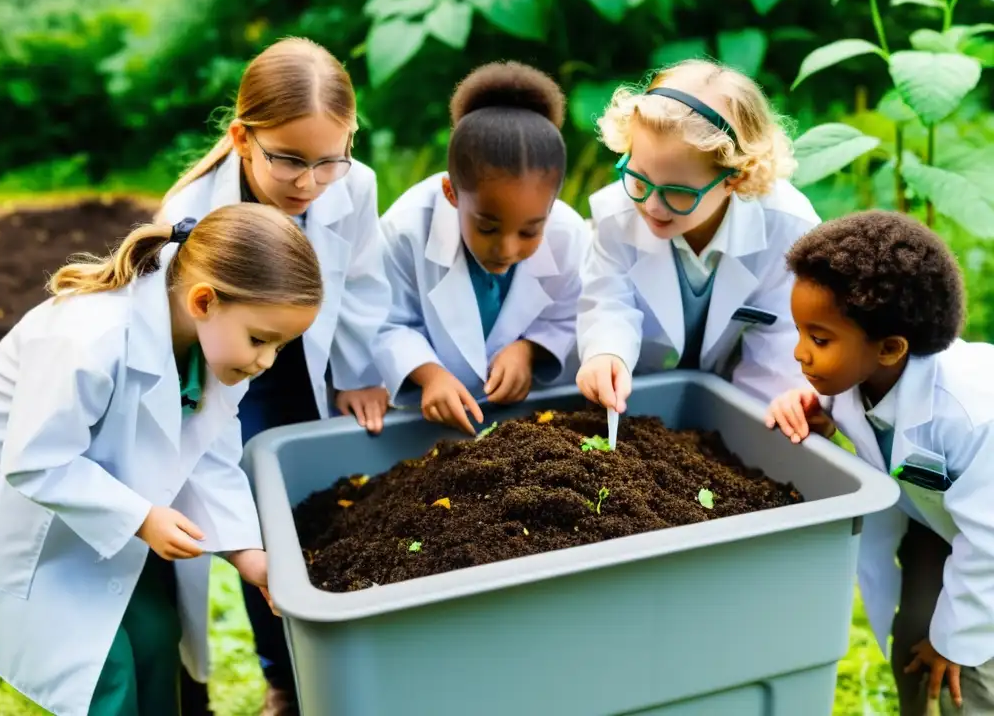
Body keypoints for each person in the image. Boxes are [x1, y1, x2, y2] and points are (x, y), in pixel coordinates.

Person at [0, 204, 322, 716]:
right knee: (102, 673)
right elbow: (33, 461)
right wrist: (141, 517)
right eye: (261, 340)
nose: (266, 361)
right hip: (24, 522)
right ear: (204, 300)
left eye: (281, 346)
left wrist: (249, 556)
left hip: (110, 519)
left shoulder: (212, 355)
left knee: (157, 640)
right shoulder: (88, 337)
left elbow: (210, 461)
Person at [157, 37, 391, 713]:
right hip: (225, 377)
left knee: (318, 509)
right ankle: (282, 681)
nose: (308, 183)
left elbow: (362, 285)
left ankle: (330, 663)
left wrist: (355, 375)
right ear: (241, 137)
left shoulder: (359, 185)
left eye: (329, 161)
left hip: (305, 370)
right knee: (257, 531)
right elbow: (187, 350)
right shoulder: (190, 215)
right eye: (288, 160)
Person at [764, 210, 994, 715]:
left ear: (891, 348)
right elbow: (841, 408)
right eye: (800, 333)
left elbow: (989, 544)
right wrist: (808, 408)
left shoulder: (970, 415)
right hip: (942, 529)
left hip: (987, 546)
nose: (800, 355)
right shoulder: (859, 380)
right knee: (914, 636)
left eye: (818, 339)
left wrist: (955, 642)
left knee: (966, 676)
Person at [575, 59, 819, 414]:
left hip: (735, 397)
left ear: (735, 177)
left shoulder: (789, 231)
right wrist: (606, 352)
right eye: (640, 179)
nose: (653, 206)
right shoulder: (618, 213)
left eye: (677, 192)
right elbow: (608, 300)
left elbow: (781, 344)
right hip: (638, 398)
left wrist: (747, 424)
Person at [373, 61, 591, 435]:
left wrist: (530, 351)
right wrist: (429, 375)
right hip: (426, 428)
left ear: (552, 205)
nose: (506, 248)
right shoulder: (406, 229)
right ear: (451, 193)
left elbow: (573, 315)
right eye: (487, 227)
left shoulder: (568, 235)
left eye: (529, 231)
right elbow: (385, 322)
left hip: (530, 422)